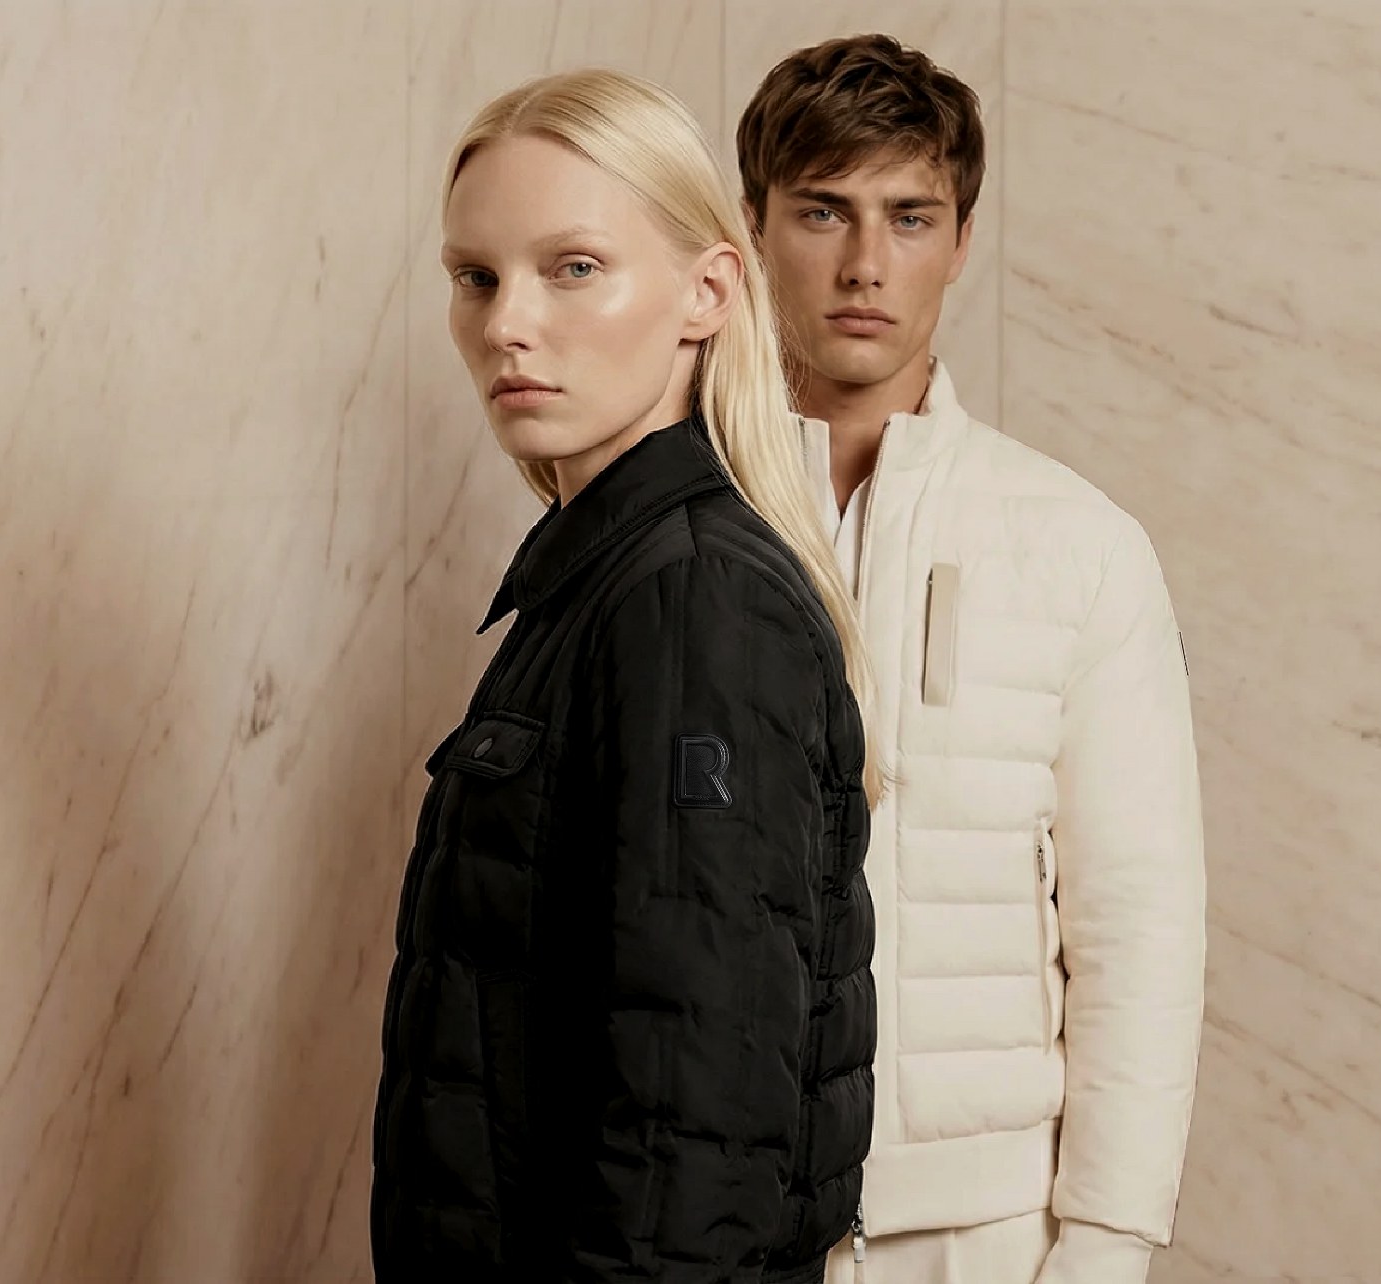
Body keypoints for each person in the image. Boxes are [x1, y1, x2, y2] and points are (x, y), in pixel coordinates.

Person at [370, 68, 881, 1284]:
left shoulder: (696, 600)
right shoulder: (603, 582)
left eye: (573, 267)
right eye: (474, 277)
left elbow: (695, 1135)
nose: (506, 323)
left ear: (708, 292)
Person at [736, 35, 1208, 1284]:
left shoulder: (1077, 545)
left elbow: (1137, 920)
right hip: (716, 1218)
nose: (863, 263)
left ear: (959, 240)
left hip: (986, 1233)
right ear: (751, 228)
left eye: (909, 217)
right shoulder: (680, 526)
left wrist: (1104, 1243)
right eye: (820, 211)